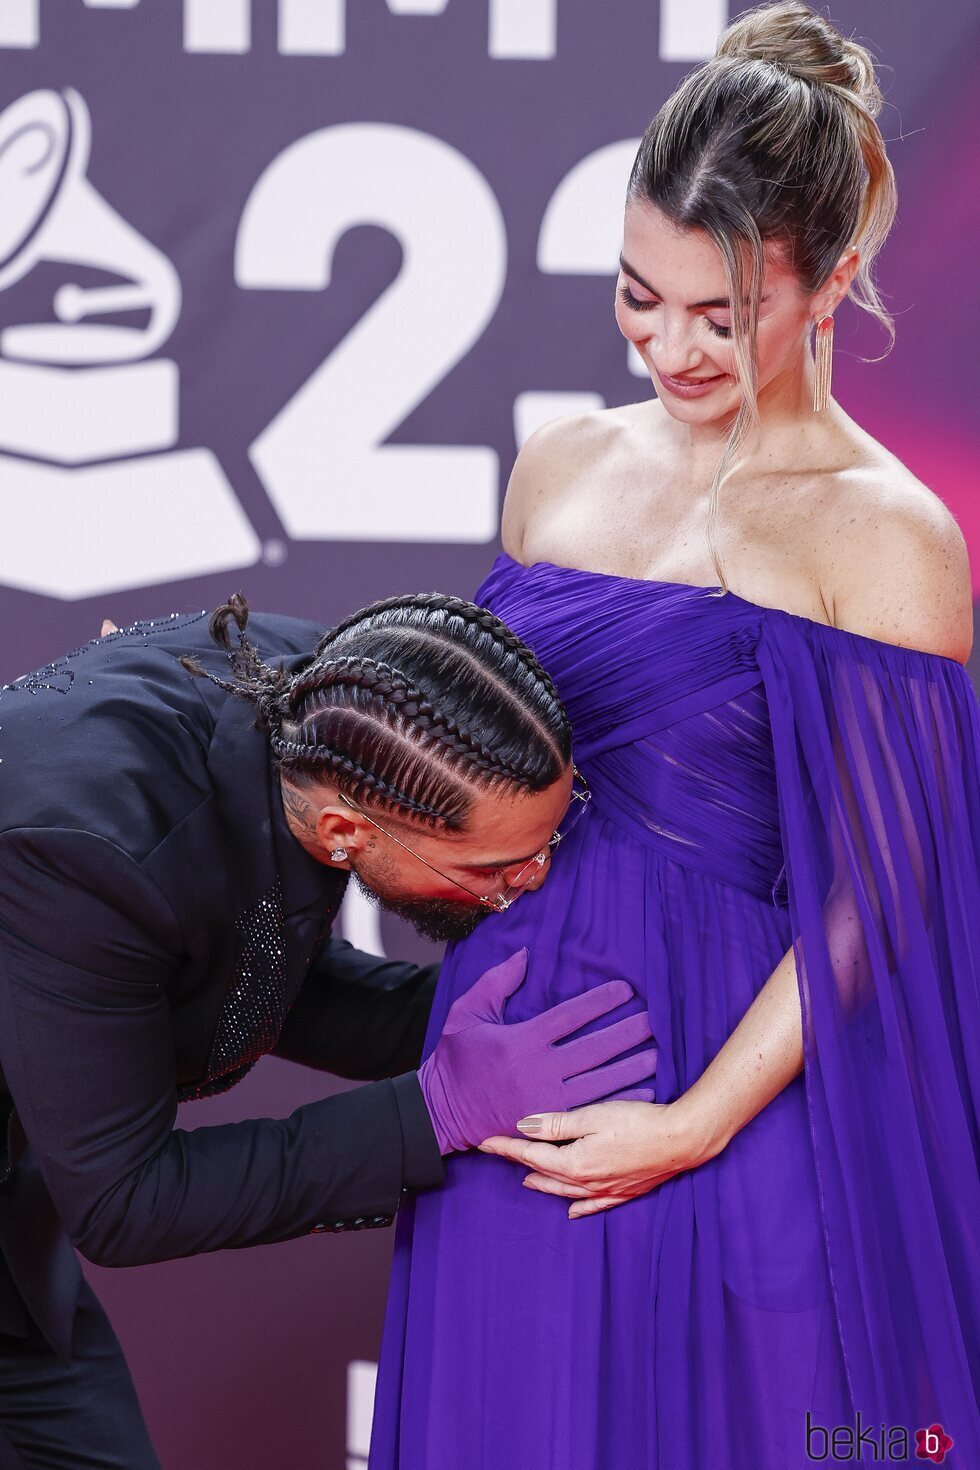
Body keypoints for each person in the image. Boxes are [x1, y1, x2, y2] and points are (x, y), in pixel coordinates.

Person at [369, 6, 980, 1467]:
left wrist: (697, 1121)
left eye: (724, 312)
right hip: (511, 1080)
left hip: (735, 1089)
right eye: (640, 296)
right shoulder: (559, 466)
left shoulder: (887, 535)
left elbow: (885, 892)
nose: (670, 346)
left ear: (831, 283)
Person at [0, 591, 657, 1467]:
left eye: (545, 846)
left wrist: (473, 1030)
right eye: (496, 867)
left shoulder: (338, 705)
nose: (530, 881)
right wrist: (435, 1113)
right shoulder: (90, 856)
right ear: (346, 830)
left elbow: (238, 973)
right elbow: (128, 1203)